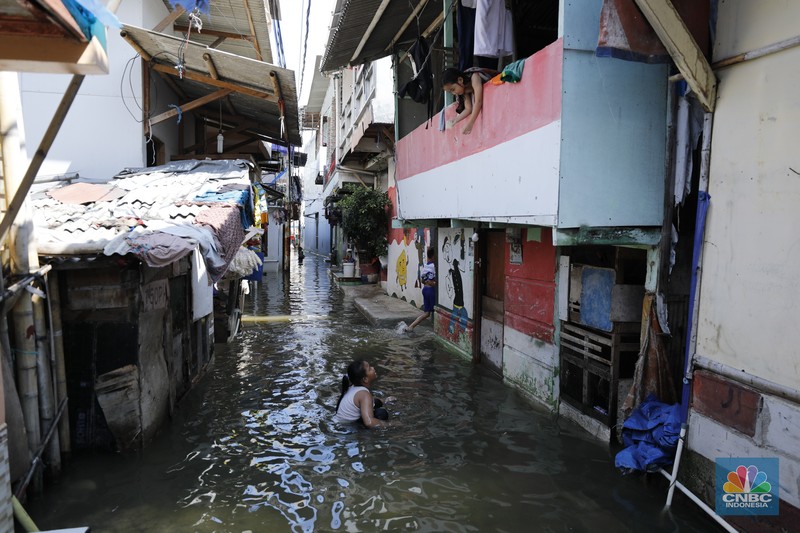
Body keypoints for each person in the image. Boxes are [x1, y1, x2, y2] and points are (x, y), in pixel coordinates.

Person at [335, 360, 389, 428]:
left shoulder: (353, 387)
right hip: (349, 428)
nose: (373, 368)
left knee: (376, 402)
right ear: (365, 379)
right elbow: (369, 422)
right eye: (369, 369)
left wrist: (386, 400)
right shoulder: (364, 394)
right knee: (381, 413)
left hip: (340, 423)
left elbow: (371, 401)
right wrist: (391, 424)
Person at [442, 67, 496, 135]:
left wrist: (470, 123)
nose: (454, 93)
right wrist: (455, 120)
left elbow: (478, 102)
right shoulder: (464, 90)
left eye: (453, 89)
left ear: (460, 80)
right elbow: (468, 109)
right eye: (451, 92)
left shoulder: (475, 77)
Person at [405, 247, 436, 332]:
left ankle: (411, 326)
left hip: (425, 289)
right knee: (436, 310)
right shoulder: (434, 267)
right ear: (434, 256)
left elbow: (422, 281)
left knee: (426, 313)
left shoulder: (425, 266)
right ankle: (437, 331)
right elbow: (431, 282)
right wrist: (435, 284)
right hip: (430, 291)